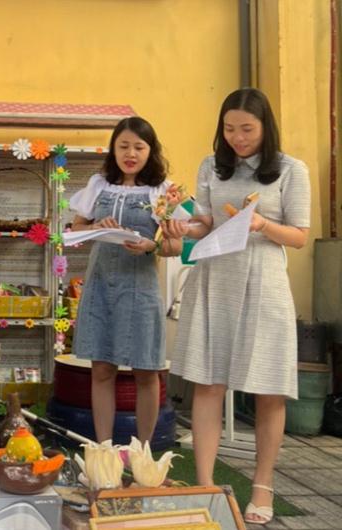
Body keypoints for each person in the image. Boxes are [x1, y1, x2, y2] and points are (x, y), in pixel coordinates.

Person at [162, 88, 310, 525]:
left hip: (264, 280)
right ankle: (206, 484)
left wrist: (262, 224)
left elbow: (300, 236)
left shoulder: (291, 169)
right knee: (209, 382)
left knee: (268, 387)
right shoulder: (212, 165)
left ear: (266, 127)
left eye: (247, 129)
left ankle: (262, 485)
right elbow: (206, 222)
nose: (237, 138)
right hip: (216, 275)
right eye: (229, 129)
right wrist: (182, 225)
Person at [69, 117, 182, 445]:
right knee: (102, 369)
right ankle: (104, 447)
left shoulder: (163, 191)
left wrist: (151, 246)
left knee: (146, 371)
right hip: (100, 286)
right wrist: (95, 227)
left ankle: (143, 450)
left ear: (151, 151)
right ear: (113, 150)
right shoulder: (98, 185)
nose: (130, 154)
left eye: (139, 147)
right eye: (123, 146)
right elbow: (75, 230)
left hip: (141, 289)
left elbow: (176, 245)